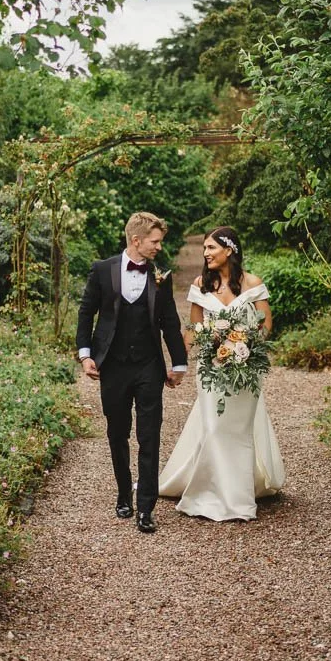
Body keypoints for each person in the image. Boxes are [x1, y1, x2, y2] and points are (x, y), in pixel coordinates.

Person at [160, 227, 285, 520]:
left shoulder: (253, 283)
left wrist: (245, 341)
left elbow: (266, 327)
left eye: (211, 248)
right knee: (214, 429)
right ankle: (214, 494)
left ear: (229, 250)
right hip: (211, 369)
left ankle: (237, 498)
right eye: (204, 248)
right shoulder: (202, 284)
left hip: (245, 368)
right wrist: (180, 366)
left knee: (238, 431)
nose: (206, 253)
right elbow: (192, 331)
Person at [76, 212, 189, 534]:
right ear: (136, 240)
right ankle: (124, 493)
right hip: (111, 366)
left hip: (149, 367)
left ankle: (146, 508)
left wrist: (178, 364)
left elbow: (170, 322)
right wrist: (86, 355)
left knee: (150, 436)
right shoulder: (102, 270)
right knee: (117, 432)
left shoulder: (161, 277)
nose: (159, 247)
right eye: (155, 242)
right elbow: (86, 313)